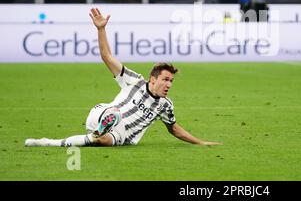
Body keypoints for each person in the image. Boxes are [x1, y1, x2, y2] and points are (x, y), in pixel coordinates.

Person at [25, 8, 221, 147]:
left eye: (171, 81)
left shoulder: (165, 105)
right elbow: (107, 57)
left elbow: (174, 129)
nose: (169, 84)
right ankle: (100, 127)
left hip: (122, 136)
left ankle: (49, 142)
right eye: (165, 79)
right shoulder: (134, 81)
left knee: (101, 141)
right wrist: (101, 29)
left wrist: (201, 142)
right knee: (114, 113)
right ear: (152, 79)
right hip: (102, 113)